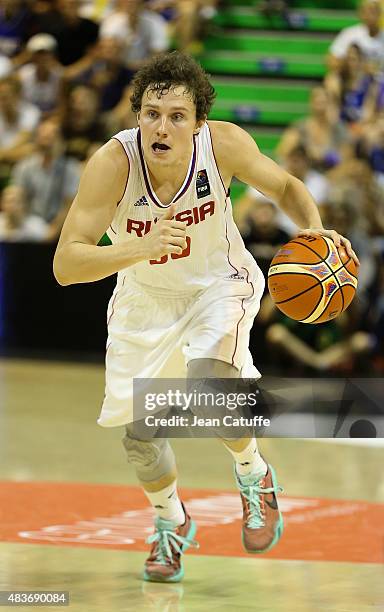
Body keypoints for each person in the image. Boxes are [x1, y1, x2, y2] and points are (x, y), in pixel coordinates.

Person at [53, 51, 359, 583]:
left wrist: (314, 229)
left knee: (209, 387)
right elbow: (65, 264)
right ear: (137, 117)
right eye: (151, 113)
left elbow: (285, 186)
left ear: (197, 123)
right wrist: (136, 248)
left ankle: (253, 475)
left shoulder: (221, 145)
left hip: (220, 284)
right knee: (141, 439)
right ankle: (171, 522)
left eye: (176, 116)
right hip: (144, 299)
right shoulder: (112, 164)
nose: (161, 126)